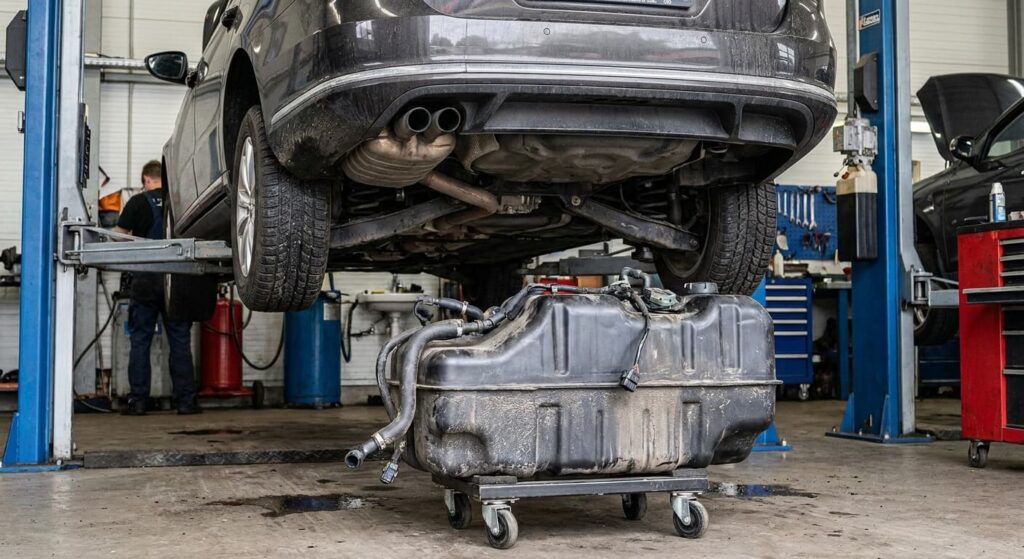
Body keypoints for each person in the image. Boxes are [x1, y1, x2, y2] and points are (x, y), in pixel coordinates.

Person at [114, 160, 201, 415]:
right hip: (177, 279)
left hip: (145, 278)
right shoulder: (181, 200)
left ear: (146, 180)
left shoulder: (137, 202)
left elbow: (118, 237)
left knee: (140, 341)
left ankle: (138, 402)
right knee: (180, 341)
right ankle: (186, 402)